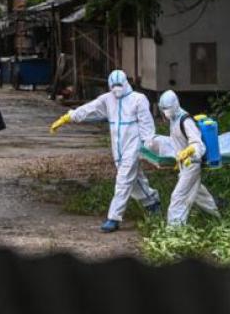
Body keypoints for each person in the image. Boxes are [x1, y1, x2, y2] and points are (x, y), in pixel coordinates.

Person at [50, 70, 161, 233]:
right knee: (134, 178)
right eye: (113, 86)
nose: (116, 89)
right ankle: (152, 202)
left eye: (119, 85)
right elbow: (89, 109)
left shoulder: (138, 99)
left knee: (123, 180)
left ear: (125, 83)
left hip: (133, 145)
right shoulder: (108, 99)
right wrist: (69, 117)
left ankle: (114, 218)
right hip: (118, 147)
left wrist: (149, 144)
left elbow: (146, 124)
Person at [157, 90, 220, 226]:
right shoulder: (173, 120)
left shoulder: (185, 121)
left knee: (178, 196)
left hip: (192, 164)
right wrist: (179, 158)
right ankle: (218, 213)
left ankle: (174, 231)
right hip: (184, 164)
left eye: (167, 108)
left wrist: (190, 151)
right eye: (163, 109)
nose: (165, 112)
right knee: (198, 194)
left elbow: (198, 144)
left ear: (175, 105)